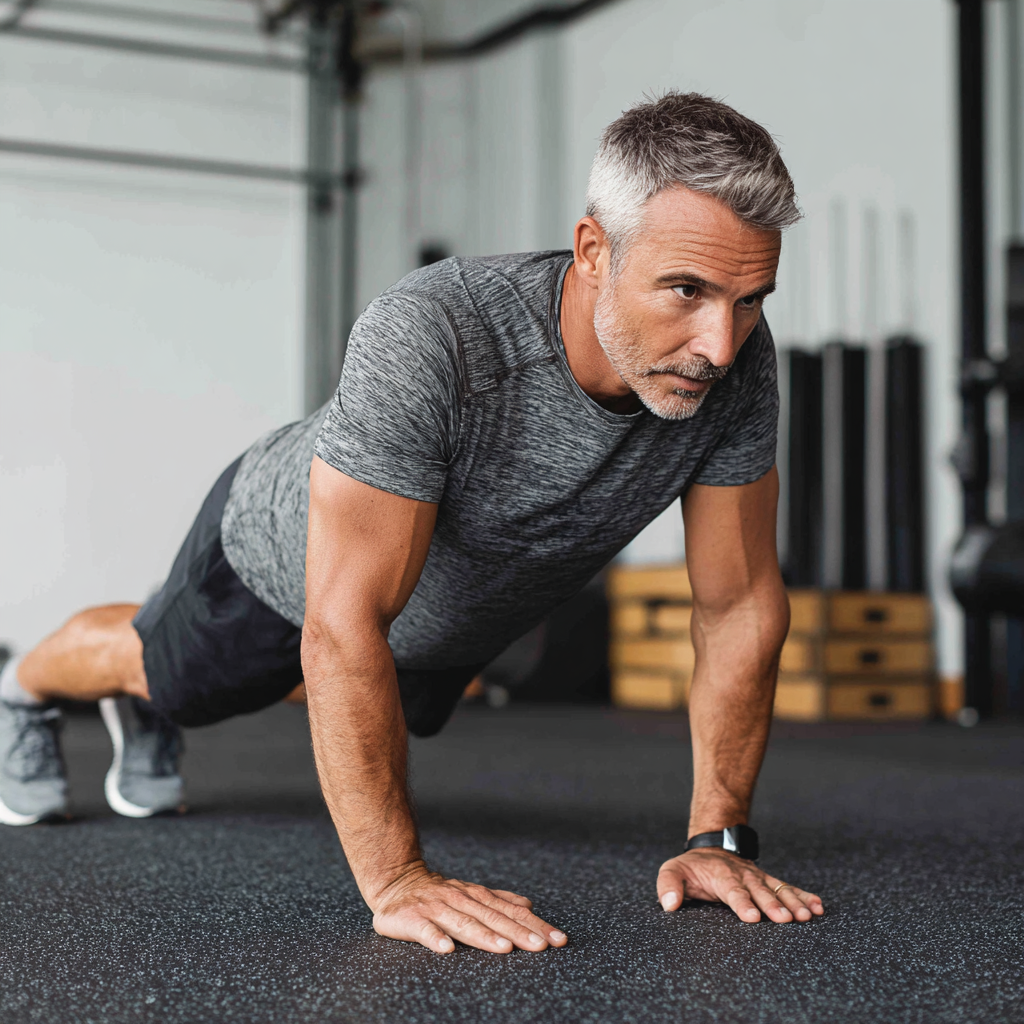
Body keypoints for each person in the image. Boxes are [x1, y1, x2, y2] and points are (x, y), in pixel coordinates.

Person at [0, 92, 825, 953]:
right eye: (685, 290)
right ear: (593, 251)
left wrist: (716, 838)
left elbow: (737, 604)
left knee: (354, 691)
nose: (719, 345)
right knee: (172, 677)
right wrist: (396, 881)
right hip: (276, 560)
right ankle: (22, 689)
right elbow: (341, 622)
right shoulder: (438, 331)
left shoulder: (732, 366)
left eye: (749, 300)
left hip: (437, 620)